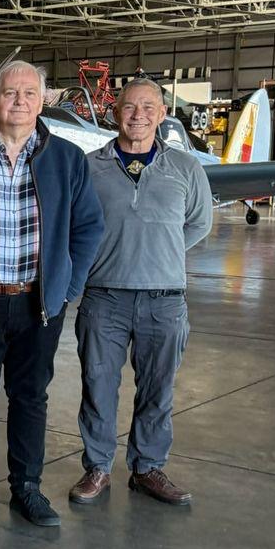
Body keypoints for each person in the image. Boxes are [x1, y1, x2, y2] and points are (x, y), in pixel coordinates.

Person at [0, 60, 104, 528]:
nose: (18, 101)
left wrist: (66, 291)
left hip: (39, 303)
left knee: (30, 396)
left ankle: (26, 487)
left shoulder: (67, 159)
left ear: (42, 100)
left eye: (28, 94)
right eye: (9, 93)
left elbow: (89, 228)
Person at [69, 79, 211, 507]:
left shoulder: (186, 169)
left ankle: (147, 468)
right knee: (98, 384)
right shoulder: (90, 167)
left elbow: (199, 223)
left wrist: (159, 252)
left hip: (164, 299)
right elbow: (76, 227)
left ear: (162, 113)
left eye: (148, 107)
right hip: (103, 298)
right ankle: (97, 467)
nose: (138, 115)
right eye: (130, 107)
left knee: (158, 388)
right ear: (116, 112)